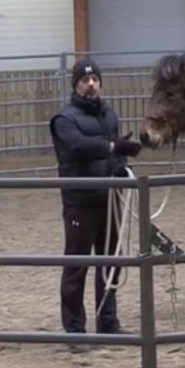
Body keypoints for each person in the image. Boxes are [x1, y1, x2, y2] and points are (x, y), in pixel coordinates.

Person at [49, 57, 143, 340]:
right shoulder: (64, 121)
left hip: (110, 200)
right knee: (76, 266)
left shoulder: (109, 116)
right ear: (76, 86)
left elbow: (112, 153)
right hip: (81, 201)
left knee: (110, 263)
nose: (91, 84)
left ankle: (108, 322)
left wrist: (122, 164)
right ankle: (75, 330)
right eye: (85, 80)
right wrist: (114, 146)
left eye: (95, 80)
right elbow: (79, 147)